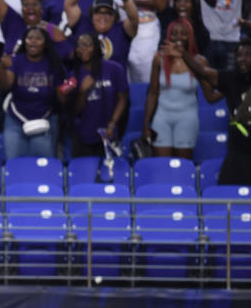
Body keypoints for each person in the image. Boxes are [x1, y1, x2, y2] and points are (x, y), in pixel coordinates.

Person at [174, 39, 251, 185]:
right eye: (239, 55)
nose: (242, 59)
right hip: (236, 154)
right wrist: (184, 54)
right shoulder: (231, 78)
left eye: (248, 55)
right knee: (226, 197)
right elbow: (203, 72)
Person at [0, 26, 69, 160]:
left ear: (45, 43)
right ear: (25, 41)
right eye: (30, 38)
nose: (33, 41)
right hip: (16, 119)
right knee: (14, 163)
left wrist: (66, 91)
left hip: (44, 119)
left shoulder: (54, 64)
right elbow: (5, 86)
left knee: (43, 165)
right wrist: (1, 67)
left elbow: (62, 99)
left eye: (38, 38)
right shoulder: (16, 60)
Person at [143, 19, 209, 160]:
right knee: (163, 165)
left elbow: (210, 92)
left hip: (187, 118)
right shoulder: (158, 58)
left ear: (190, 36)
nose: (178, 37)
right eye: (174, 34)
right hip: (162, 118)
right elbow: (153, 92)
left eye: (183, 34)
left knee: (182, 165)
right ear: (168, 36)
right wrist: (146, 124)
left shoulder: (199, 61)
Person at [69, 32, 129, 159]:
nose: (83, 49)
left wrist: (112, 123)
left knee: (110, 174)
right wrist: (82, 92)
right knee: (84, 175)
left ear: (96, 47)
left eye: (88, 45)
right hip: (84, 135)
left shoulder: (114, 69)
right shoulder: (73, 74)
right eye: (79, 45)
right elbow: (74, 111)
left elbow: (122, 99)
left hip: (109, 132)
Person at [66, 0, 139, 69]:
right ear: (92, 15)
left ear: (115, 16)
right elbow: (69, 4)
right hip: (84, 82)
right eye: (98, 12)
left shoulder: (122, 29)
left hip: (114, 83)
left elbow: (134, 19)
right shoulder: (82, 24)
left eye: (108, 13)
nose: (103, 17)